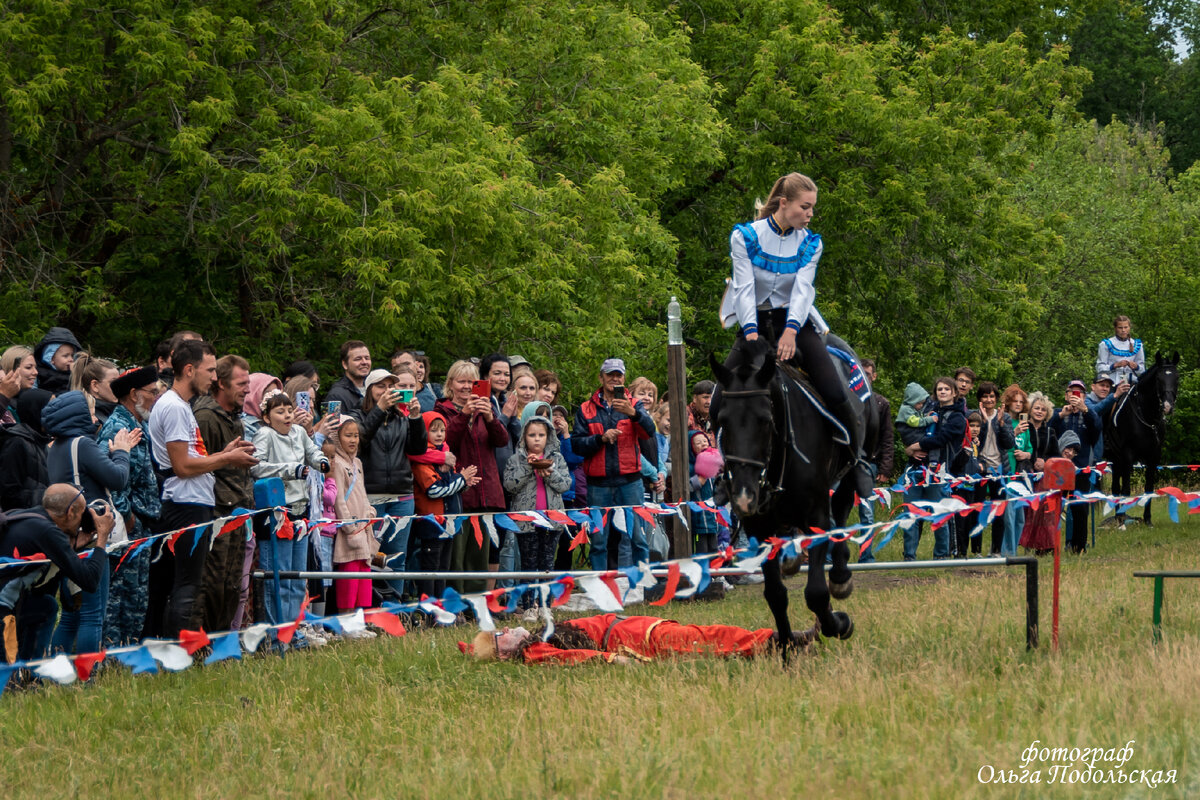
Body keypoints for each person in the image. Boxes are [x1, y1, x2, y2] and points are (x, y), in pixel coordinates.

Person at [717, 171, 858, 455]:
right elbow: (743, 289)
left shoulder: (811, 243)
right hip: (752, 323)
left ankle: (857, 460)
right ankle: (724, 467)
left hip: (793, 322)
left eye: (812, 208)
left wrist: (792, 331)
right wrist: (752, 335)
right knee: (719, 398)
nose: (810, 214)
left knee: (834, 390)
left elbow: (803, 291)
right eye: (805, 207)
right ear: (783, 203)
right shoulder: (745, 236)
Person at [148, 339, 258, 636]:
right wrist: (227, 458)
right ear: (188, 370)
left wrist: (224, 453)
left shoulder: (180, 406)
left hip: (193, 500)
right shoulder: (173, 407)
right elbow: (182, 466)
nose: (213, 377)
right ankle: (180, 652)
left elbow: (191, 458)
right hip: (185, 504)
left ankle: (173, 648)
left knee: (182, 583)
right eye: (209, 370)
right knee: (188, 585)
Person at [42, 390, 135, 655]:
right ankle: (87, 675)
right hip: (93, 532)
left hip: (69, 534)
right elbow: (118, 479)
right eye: (91, 412)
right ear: (77, 416)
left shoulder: (56, 446)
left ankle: (59, 672)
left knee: (72, 612)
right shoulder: (82, 443)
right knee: (94, 612)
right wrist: (121, 452)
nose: (95, 419)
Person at [0, 484, 114, 661]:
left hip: (13, 601)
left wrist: (73, 546)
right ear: (70, 513)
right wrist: (102, 539)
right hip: (3, 608)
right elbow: (90, 582)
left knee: (46, 606)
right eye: (83, 512)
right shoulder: (48, 531)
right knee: (3, 674)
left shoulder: (32, 517)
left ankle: (30, 675)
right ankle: (21, 677)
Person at [251, 390, 329, 627]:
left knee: (297, 578)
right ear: (267, 417)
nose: (286, 415)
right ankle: (277, 635)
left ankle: (295, 631)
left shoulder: (299, 432)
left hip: (301, 510)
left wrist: (320, 461)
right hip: (276, 511)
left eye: (289, 410)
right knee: (280, 576)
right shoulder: (264, 435)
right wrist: (290, 469)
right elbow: (256, 467)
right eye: (279, 411)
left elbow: (312, 451)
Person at [96, 366, 161, 646]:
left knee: (137, 597)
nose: (157, 398)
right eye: (152, 392)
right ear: (134, 394)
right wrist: (127, 515)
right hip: (126, 527)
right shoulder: (117, 427)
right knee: (120, 596)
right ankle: (112, 656)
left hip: (142, 524)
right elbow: (108, 478)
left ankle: (129, 653)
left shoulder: (139, 424)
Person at [464, 613, 818, 664]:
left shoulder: (537, 634)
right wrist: (612, 660)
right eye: (501, 637)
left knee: (704, 638)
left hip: (633, 625)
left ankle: (776, 646)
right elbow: (571, 657)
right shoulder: (532, 651)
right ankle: (780, 641)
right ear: (503, 655)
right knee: (703, 639)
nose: (507, 630)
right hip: (632, 638)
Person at [572, 358, 656, 570]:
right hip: (598, 484)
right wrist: (600, 438)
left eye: (619, 374)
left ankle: (643, 583)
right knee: (599, 540)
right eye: (610, 374)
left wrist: (634, 414)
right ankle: (601, 584)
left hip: (630, 481)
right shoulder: (585, 408)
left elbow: (649, 433)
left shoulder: (634, 404)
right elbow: (576, 445)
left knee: (637, 535)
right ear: (601, 378)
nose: (615, 378)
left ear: (624, 378)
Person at [193, 355, 256, 631]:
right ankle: (201, 647)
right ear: (221, 383)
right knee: (212, 584)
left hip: (238, 512)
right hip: (216, 513)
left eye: (249, 383)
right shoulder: (205, 417)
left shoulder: (235, 419)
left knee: (233, 583)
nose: (247, 390)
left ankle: (221, 643)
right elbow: (196, 467)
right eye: (241, 383)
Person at [436, 360, 509, 593]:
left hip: (485, 491)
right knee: (457, 554)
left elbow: (502, 441)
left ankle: (476, 604)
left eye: (472, 381)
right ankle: (456, 602)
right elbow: (447, 442)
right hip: (458, 491)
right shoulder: (441, 410)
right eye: (462, 381)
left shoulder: (486, 409)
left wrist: (490, 418)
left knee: (480, 553)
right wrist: (463, 414)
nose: (467, 387)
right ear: (451, 384)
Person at [358, 367, 426, 589]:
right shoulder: (357, 414)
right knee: (371, 558)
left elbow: (417, 449)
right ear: (369, 390)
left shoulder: (401, 417)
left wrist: (416, 418)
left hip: (402, 496)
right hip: (370, 496)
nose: (387, 391)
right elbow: (360, 442)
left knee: (397, 558)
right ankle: (372, 613)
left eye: (391, 386)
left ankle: (394, 613)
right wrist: (379, 410)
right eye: (381, 386)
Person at [503, 410, 570, 614]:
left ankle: (545, 605)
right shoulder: (515, 460)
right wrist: (527, 468)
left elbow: (565, 484)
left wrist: (549, 472)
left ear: (548, 436)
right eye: (532, 435)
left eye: (541, 435)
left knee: (547, 563)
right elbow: (509, 485)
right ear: (524, 437)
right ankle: (529, 606)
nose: (537, 439)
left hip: (553, 520)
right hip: (526, 521)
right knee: (529, 563)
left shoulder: (557, 458)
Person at [411, 410, 479, 598]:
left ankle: (440, 607)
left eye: (442, 430)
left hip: (449, 522)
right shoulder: (422, 460)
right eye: (434, 430)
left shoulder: (446, 455)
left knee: (443, 568)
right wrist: (461, 480)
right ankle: (429, 609)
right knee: (431, 568)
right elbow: (434, 490)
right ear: (424, 433)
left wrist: (464, 482)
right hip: (432, 523)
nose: (440, 434)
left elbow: (451, 486)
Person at [902, 377, 966, 560]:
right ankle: (909, 556)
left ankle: (941, 556)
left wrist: (916, 446)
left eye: (947, 389)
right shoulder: (926, 411)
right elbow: (908, 429)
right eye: (939, 389)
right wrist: (909, 448)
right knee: (910, 513)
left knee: (939, 515)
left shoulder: (958, 417)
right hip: (915, 468)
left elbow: (941, 439)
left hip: (939, 470)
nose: (943, 392)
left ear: (954, 392)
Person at [326, 415, 377, 624]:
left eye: (356, 435)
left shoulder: (357, 462)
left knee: (364, 578)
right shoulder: (336, 463)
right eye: (348, 435)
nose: (353, 440)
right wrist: (350, 528)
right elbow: (339, 499)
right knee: (349, 578)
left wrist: (370, 512)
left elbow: (361, 493)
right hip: (348, 532)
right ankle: (346, 622)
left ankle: (358, 622)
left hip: (363, 528)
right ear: (337, 438)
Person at [974, 382, 1014, 555]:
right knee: (978, 509)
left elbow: (1009, 443)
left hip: (1000, 469)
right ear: (980, 399)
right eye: (985, 396)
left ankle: (996, 550)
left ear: (997, 399)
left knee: (999, 511)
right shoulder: (974, 416)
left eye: (992, 396)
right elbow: (977, 442)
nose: (989, 399)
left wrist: (1001, 424)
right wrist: (983, 422)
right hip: (980, 469)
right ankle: (975, 550)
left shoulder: (1005, 417)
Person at [0, 388, 53, 510]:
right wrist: (49, 499)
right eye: (50, 408)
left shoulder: (42, 441)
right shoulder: (16, 442)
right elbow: (9, 492)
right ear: (36, 411)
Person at [323, 340, 373, 422]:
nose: (364, 362)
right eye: (358, 359)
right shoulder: (336, 396)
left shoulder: (375, 389)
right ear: (345, 364)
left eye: (367, 358)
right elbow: (334, 430)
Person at [1095, 315, 1145, 385]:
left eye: (1126, 327)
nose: (1123, 330)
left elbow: (1142, 370)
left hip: (1131, 382)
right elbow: (1099, 368)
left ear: (1129, 328)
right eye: (1120, 328)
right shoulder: (1106, 344)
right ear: (1115, 328)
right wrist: (1115, 365)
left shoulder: (1137, 345)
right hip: (1112, 382)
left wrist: (1136, 366)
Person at [32, 327, 82, 394]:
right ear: (51, 358)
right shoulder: (38, 373)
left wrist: (76, 375)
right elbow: (32, 392)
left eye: (72, 355)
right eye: (66, 356)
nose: (71, 359)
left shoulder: (75, 374)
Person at [241, 373, 283, 441]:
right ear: (253, 396)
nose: (275, 398)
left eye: (277, 393)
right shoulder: (245, 426)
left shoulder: (281, 420)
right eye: (268, 394)